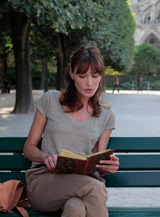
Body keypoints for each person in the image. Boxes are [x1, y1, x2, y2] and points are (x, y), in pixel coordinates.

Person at [23, 46, 119, 217]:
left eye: (95, 76)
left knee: (76, 209)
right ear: (72, 74)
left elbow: (99, 158)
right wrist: (45, 157)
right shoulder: (50, 100)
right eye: (82, 76)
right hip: (45, 182)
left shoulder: (106, 114)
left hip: (81, 186)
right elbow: (28, 148)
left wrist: (107, 166)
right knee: (95, 188)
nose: (90, 83)